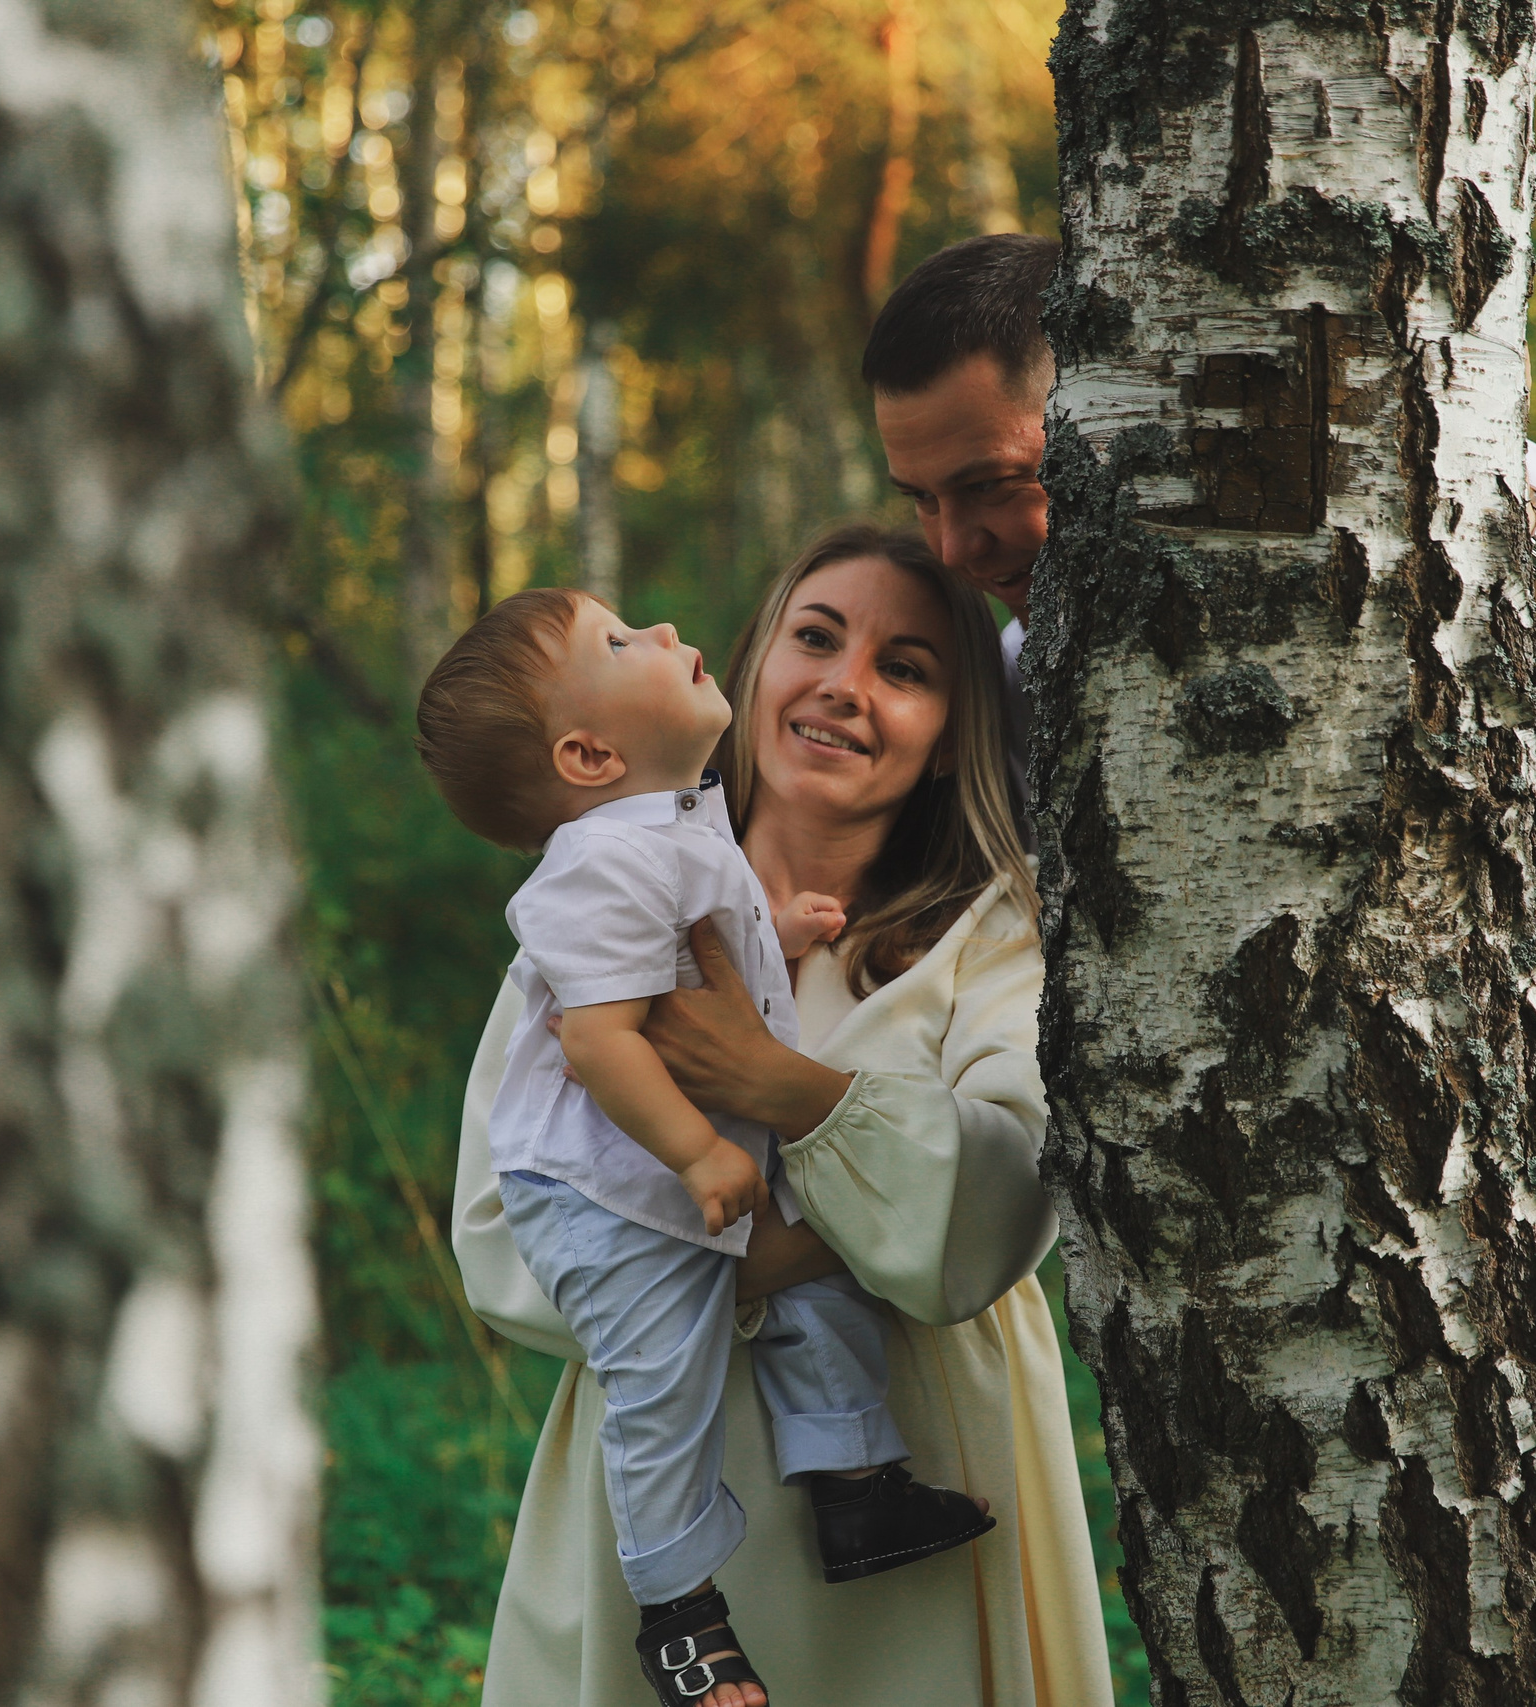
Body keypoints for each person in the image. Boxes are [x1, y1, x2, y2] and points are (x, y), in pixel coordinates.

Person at [865, 234, 1536, 1707]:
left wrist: (1480, 505)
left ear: (1112, 410)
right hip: (1293, 1350)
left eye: (991, 482)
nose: (954, 542)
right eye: (920, 499)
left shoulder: (1450, 501)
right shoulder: (1026, 686)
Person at [452, 527, 1116, 1707]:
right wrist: (821, 1238)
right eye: (816, 637)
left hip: (923, 1491)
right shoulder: (604, 898)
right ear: (757, 664)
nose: (845, 685)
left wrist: (777, 1087)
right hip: (663, 1469)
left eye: (904, 669)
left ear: (952, 733)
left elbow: (1002, 1208)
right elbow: (499, 1227)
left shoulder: (997, 935)